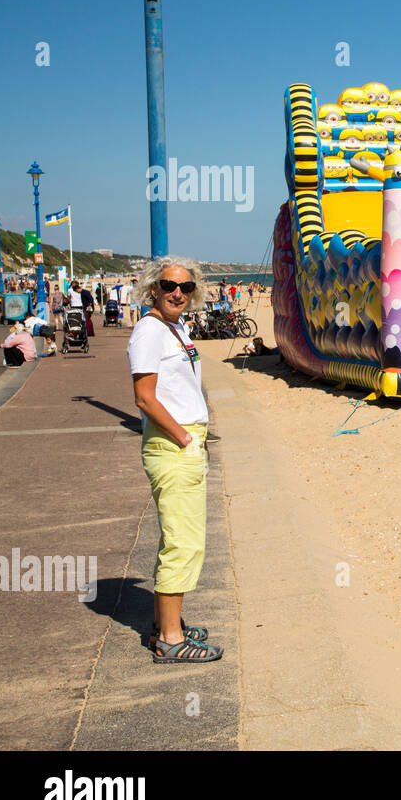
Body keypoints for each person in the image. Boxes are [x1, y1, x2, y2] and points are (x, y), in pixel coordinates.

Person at [128, 256, 222, 663]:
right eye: (168, 285)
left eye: (184, 287)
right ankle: (169, 639)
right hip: (173, 444)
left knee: (178, 538)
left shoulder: (175, 327)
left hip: (182, 442)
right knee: (183, 544)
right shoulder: (150, 331)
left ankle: (170, 624)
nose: (177, 293)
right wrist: (184, 437)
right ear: (154, 289)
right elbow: (144, 397)